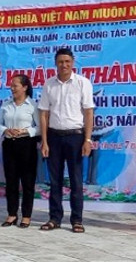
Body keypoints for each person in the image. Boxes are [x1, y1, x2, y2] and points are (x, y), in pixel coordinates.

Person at [38, 48, 95, 233]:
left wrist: (87, 139)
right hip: (54, 137)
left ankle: (77, 220)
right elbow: (44, 114)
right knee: (55, 181)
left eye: (67, 61)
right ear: (55, 63)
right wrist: (44, 142)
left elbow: (88, 112)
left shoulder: (82, 83)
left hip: (76, 137)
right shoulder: (49, 84)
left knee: (76, 181)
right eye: (61, 62)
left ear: (73, 62)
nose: (64, 65)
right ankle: (54, 218)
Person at [0, 73, 39, 228]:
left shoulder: (33, 105)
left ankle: (26, 216)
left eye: (15, 85)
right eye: (11, 85)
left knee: (28, 182)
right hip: (9, 145)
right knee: (11, 182)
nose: (12, 88)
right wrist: (6, 130)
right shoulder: (6, 104)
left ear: (25, 87)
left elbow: (40, 128)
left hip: (27, 145)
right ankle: (12, 214)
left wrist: (26, 131)